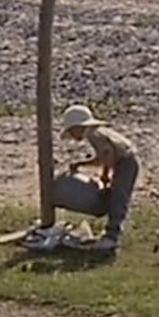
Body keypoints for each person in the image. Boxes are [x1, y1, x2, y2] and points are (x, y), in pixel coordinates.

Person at [60, 103, 139, 252]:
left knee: (119, 197)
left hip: (126, 163)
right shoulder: (98, 133)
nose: (72, 135)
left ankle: (112, 237)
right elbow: (102, 156)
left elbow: (108, 154)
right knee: (117, 196)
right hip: (125, 162)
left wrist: (105, 175)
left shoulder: (94, 134)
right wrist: (81, 164)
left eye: (72, 131)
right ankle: (111, 233)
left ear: (78, 126)